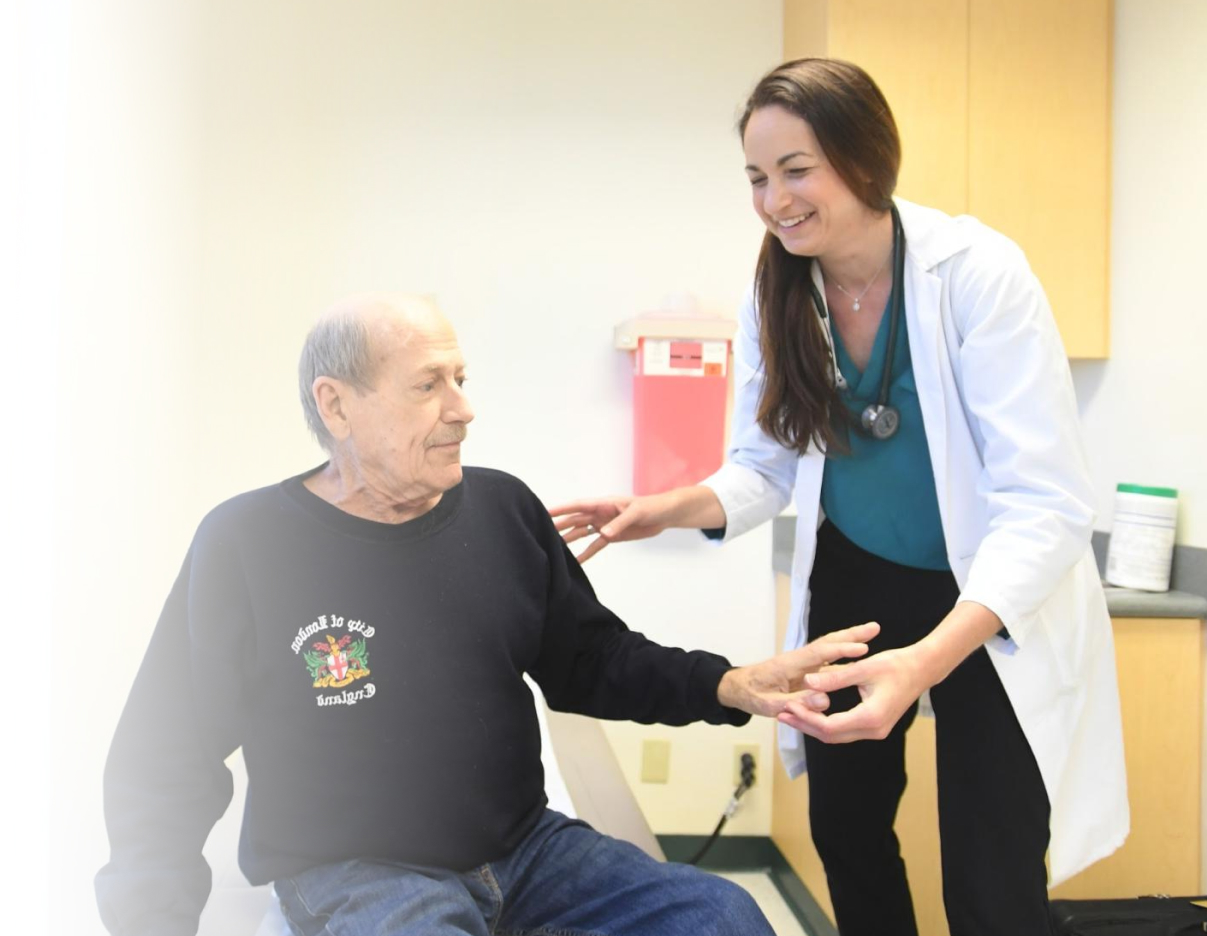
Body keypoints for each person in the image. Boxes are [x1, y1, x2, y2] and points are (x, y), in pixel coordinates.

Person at [94, 292, 881, 936]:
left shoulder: (503, 511)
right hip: (357, 873)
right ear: (336, 406)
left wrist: (731, 684)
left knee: (723, 918)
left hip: (527, 852)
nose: (463, 409)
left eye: (461, 378)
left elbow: (593, 662)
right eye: (428, 384)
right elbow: (164, 757)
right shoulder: (247, 542)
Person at [551, 59, 1128, 936]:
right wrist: (660, 508)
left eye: (796, 169)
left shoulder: (974, 273)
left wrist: (927, 660)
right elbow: (763, 467)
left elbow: (1045, 503)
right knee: (848, 834)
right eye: (755, 176)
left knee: (991, 861)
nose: (773, 199)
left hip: (992, 598)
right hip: (859, 578)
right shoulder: (778, 287)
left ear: (863, 160)